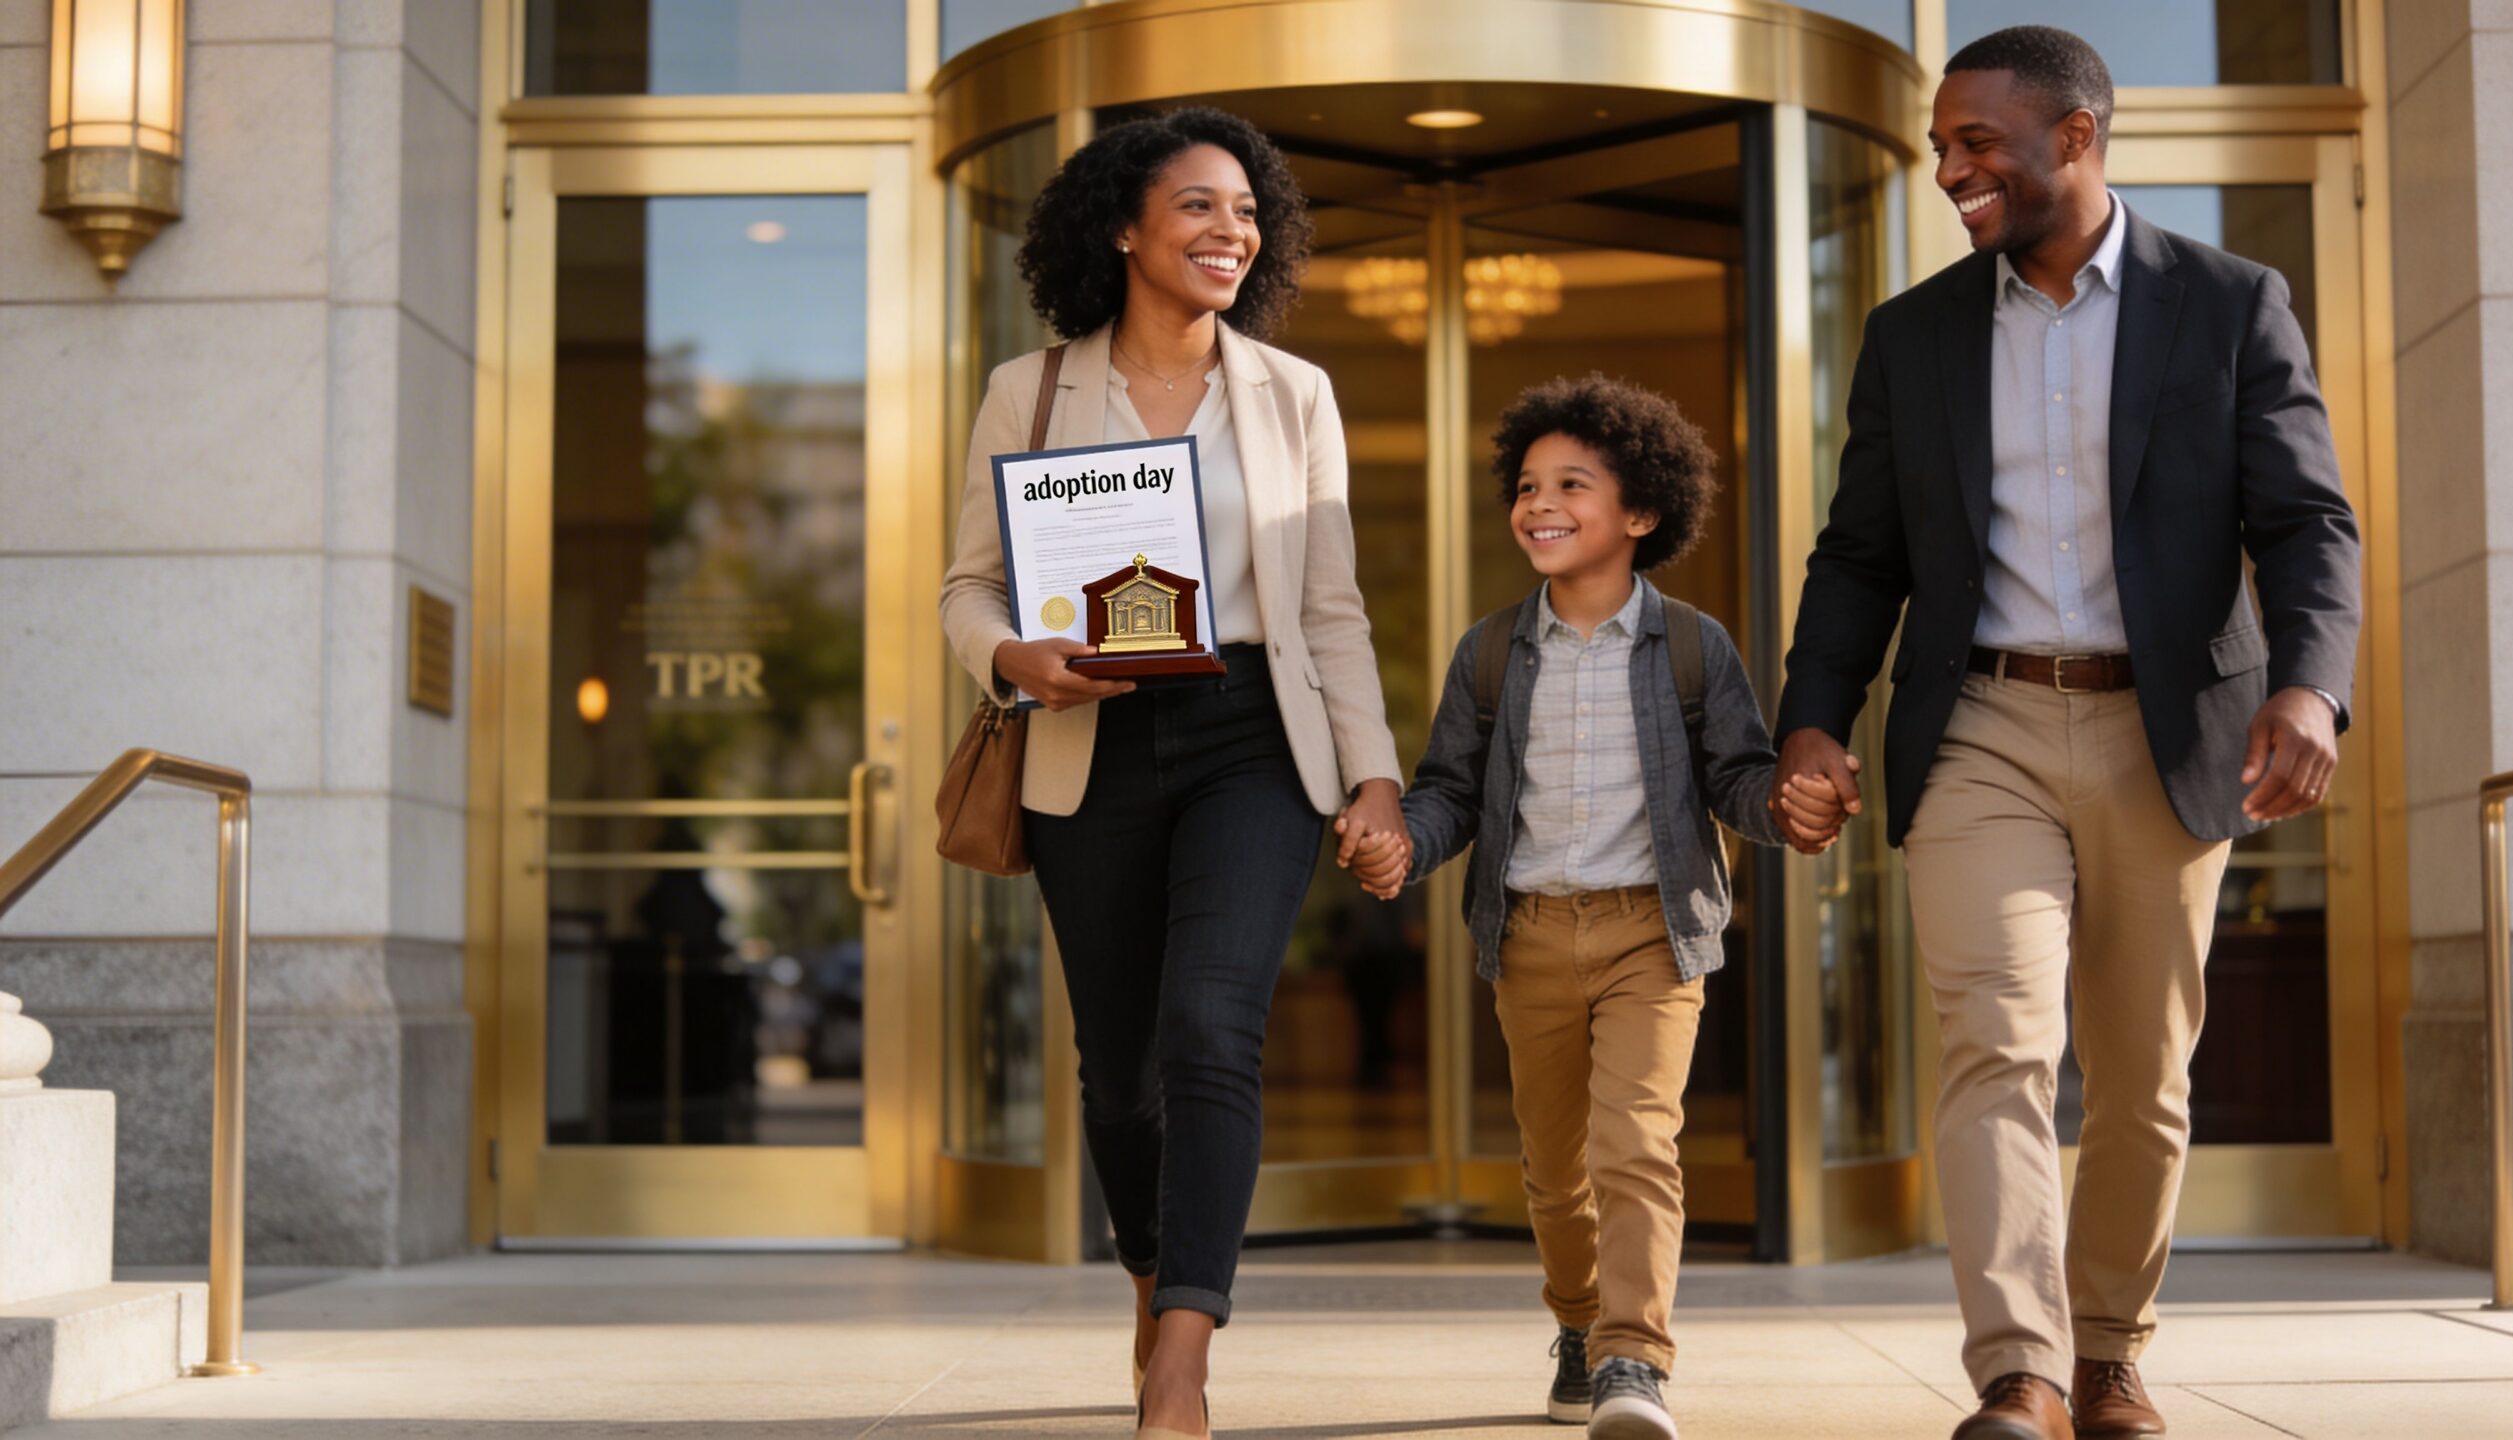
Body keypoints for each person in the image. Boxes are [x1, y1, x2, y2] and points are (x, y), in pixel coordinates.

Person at [1768, 26, 2361, 1440]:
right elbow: (1860, 557)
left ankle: (2108, 1349)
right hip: (1981, 724)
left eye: (1978, 143)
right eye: (1940, 143)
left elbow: (2305, 520)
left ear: (2077, 141)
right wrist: (1812, 720)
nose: (1949, 167)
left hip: (2170, 731)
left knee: (2147, 1077)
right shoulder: (1911, 334)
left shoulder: (2228, 301)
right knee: (1996, 1042)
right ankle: (2020, 1370)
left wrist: (2308, 686)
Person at [938, 106, 1406, 1440]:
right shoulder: (1030, 391)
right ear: (1125, 230)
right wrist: (1015, 661)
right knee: (1120, 1067)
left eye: (1248, 212)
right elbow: (966, 591)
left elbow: (1331, 611)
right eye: (1200, 206)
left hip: (1254, 733)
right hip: (1088, 737)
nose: (1231, 231)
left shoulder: (1292, 394)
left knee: (1213, 1025)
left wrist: (1371, 776)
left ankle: (1186, 1353)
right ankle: (1149, 1277)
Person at [1348, 376, 1806, 1440]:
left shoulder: (1693, 646)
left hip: (1655, 929)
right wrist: (1399, 846)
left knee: (1635, 1143)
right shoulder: (1493, 651)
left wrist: (1789, 806)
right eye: (1525, 485)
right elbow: (1449, 791)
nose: (1537, 503)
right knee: (1555, 1175)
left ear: (1640, 513)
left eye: (1569, 485)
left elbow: (1738, 777)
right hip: (1530, 933)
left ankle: (1633, 1360)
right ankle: (1577, 1321)